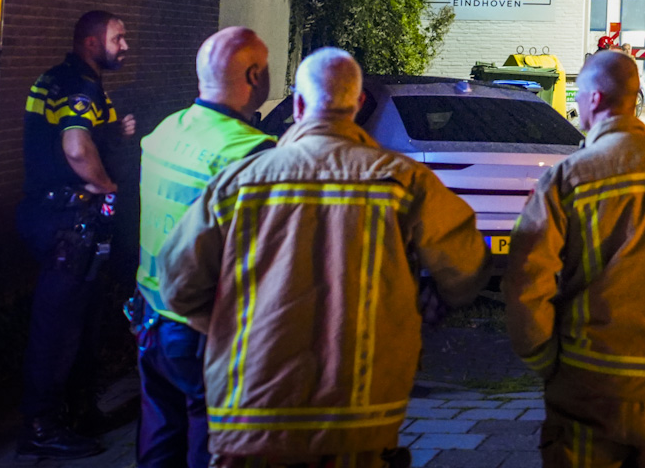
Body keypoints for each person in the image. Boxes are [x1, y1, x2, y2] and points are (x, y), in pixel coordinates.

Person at [158, 48, 487, 468]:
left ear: (297, 104)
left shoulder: (239, 183)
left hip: (252, 410)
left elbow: (177, 284)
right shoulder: (403, 181)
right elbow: (464, 268)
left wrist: (228, 327)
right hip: (360, 410)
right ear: (358, 103)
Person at [502, 50, 645, 468]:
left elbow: (525, 282)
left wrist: (544, 360)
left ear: (593, 101)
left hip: (589, 385)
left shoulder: (566, 178)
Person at [133, 27, 277, 468]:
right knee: (211, 452)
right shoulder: (251, 154)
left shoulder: (166, 130)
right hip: (206, 334)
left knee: (158, 448)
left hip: (151, 320)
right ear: (254, 75)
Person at [18, 9, 138, 460]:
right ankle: (40, 428)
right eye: (118, 38)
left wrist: (110, 133)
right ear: (91, 42)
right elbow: (73, 145)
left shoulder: (59, 79)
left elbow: (70, 134)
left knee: (81, 324)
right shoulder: (81, 86)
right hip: (67, 223)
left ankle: (80, 412)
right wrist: (106, 185)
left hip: (57, 218)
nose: (125, 46)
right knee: (59, 330)